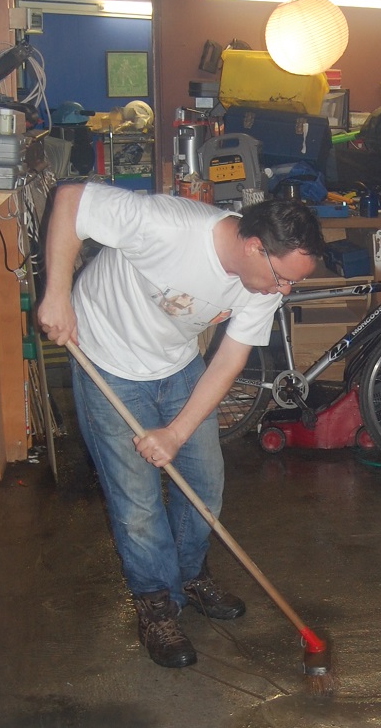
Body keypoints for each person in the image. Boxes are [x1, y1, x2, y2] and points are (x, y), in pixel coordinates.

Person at [37, 182, 324, 668]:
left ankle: (189, 577)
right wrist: (57, 294)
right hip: (105, 358)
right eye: (281, 279)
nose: (284, 291)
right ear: (255, 247)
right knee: (138, 502)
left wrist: (176, 432)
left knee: (204, 485)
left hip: (176, 363)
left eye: (292, 283)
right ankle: (156, 604)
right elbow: (71, 200)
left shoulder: (264, 283)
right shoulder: (167, 225)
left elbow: (230, 358)